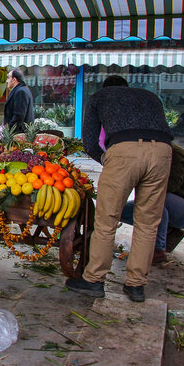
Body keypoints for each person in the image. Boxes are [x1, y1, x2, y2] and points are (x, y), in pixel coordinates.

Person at [66, 75, 174, 303]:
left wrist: (106, 159)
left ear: (107, 88)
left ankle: (94, 280)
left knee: (107, 221)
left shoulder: (100, 96)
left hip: (123, 151)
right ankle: (136, 286)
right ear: (126, 88)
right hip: (163, 152)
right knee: (147, 224)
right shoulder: (149, 95)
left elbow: (90, 142)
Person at [120, 143, 184, 263]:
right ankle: (168, 231)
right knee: (118, 210)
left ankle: (158, 249)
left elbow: (170, 186)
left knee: (154, 198)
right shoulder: (148, 152)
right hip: (171, 206)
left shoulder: (175, 153)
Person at [3, 68, 34, 133]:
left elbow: (19, 115)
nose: (6, 81)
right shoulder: (21, 90)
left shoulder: (21, 91)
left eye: (8, 78)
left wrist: (9, 130)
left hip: (19, 133)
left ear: (14, 80)